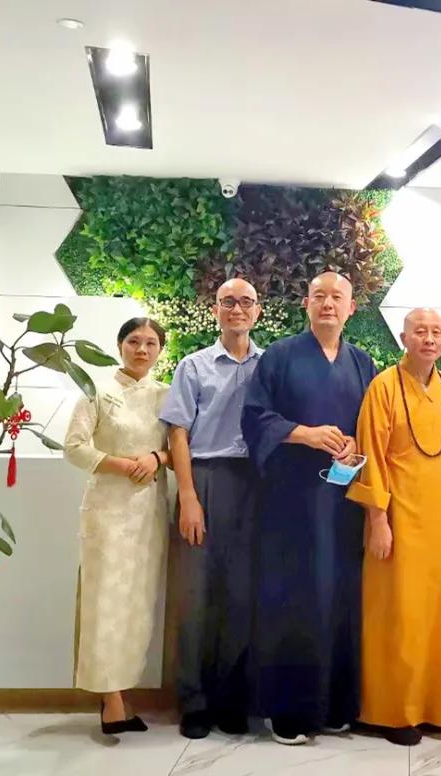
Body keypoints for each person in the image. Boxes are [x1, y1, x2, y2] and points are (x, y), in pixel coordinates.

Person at [242, 270, 377, 745]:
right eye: (319, 295)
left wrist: (354, 444)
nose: (328, 304)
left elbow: (372, 423)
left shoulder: (362, 362)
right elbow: (255, 417)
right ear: (306, 304)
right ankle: (288, 711)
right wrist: (305, 434)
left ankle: (335, 705)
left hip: (343, 502)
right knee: (294, 597)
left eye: (337, 297)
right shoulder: (280, 356)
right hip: (292, 502)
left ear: (351, 308)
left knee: (340, 596)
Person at [346, 308, 441, 747]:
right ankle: (390, 712)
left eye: (436, 332)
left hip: (436, 521)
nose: (428, 339)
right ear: (403, 338)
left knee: (432, 615)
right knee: (396, 616)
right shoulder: (383, 386)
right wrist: (378, 519)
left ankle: (431, 707)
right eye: (420, 331)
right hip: (396, 520)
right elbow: (372, 456)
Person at [159, 278, 263, 739]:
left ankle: (232, 701)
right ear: (215, 310)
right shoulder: (193, 365)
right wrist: (188, 497)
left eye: (245, 302)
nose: (237, 309)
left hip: (254, 484)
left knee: (242, 596)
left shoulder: (269, 365)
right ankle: (195, 702)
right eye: (228, 302)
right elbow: (177, 433)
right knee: (197, 596)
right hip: (203, 479)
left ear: (257, 311)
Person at [64, 317, 171, 736]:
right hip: (107, 510)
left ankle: (122, 693)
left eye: (150, 343)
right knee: (104, 601)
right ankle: (110, 700)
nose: (142, 350)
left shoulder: (166, 395)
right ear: (120, 345)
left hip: (148, 512)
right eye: (134, 341)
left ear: (160, 349)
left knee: (137, 605)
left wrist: (156, 458)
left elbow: (179, 447)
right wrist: (121, 465)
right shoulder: (97, 390)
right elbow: (74, 447)